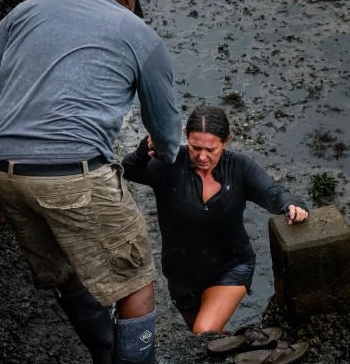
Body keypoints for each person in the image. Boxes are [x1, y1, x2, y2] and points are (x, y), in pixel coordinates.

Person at [0, 0, 186, 364]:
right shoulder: (138, 33)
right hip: (75, 174)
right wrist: (165, 154)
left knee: (67, 269)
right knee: (134, 279)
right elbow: (165, 129)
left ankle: (107, 362)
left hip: (6, 172)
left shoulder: (28, 9)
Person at [122, 105, 310, 347]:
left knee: (204, 332)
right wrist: (143, 149)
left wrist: (291, 204)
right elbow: (128, 170)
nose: (202, 156)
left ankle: (259, 349)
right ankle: (251, 349)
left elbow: (273, 192)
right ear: (186, 140)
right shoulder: (169, 165)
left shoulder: (239, 168)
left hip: (230, 267)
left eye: (211, 149)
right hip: (181, 276)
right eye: (195, 147)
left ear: (226, 142)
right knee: (212, 341)